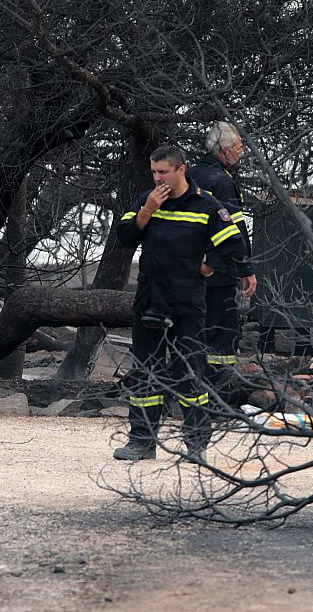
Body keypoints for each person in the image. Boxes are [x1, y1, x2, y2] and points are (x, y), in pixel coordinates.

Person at [113, 145, 249, 461]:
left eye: (164, 172)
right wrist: (147, 209)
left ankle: (197, 445)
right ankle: (142, 442)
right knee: (146, 372)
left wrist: (208, 267)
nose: (158, 178)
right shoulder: (148, 200)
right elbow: (125, 237)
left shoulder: (207, 205)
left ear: (181, 170)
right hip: (150, 300)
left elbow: (232, 243)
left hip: (188, 303)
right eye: (154, 172)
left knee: (190, 374)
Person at [188, 122, 257, 405]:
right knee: (222, 337)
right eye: (239, 149)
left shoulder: (187, 176)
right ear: (225, 151)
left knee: (190, 334)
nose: (241, 154)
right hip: (219, 273)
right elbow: (235, 232)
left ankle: (188, 395)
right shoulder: (223, 182)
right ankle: (217, 401)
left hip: (187, 273)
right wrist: (247, 269)